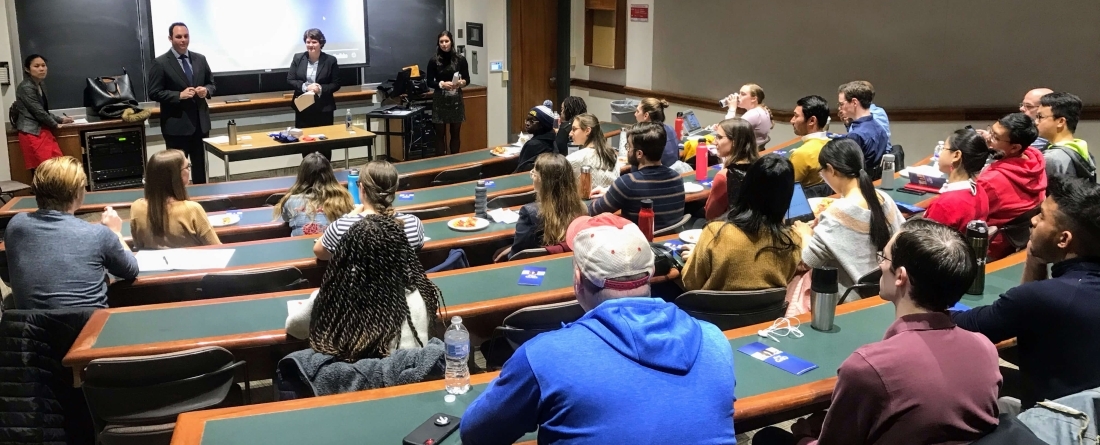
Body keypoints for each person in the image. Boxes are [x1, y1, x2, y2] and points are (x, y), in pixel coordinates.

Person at [460, 213, 737, 444]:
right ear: (650, 274)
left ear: (578, 279)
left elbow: (476, 434)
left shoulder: (543, 357)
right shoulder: (715, 340)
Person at [755, 219, 1000, 445]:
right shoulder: (986, 349)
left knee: (768, 437)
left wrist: (804, 438)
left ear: (900, 277)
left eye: (884, 257)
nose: (881, 264)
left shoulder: (867, 367)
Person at [953, 175, 1100, 408]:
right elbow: (1025, 313)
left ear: (1063, 239)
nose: (1032, 221)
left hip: (1060, 428)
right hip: (1087, 407)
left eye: (1041, 216)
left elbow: (958, 327)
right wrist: (1034, 258)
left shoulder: (1045, 298)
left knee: (959, 373)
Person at [307, 214, 444, 361]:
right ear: (401, 252)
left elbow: (294, 328)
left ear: (347, 253)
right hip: (409, 376)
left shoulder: (328, 298)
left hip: (350, 378)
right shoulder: (422, 297)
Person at [6, 156, 138, 309]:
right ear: (77, 194)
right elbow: (131, 269)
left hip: (31, 329)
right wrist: (115, 233)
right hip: (90, 328)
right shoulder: (99, 235)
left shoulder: (15, 225)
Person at [794, 138, 904, 297]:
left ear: (831, 170)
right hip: (886, 291)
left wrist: (805, 234)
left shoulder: (837, 213)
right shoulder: (884, 198)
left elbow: (806, 261)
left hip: (848, 298)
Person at [681, 155, 801, 292]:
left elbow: (690, 283)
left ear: (746, 186)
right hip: (769, 313)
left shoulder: (715, 232)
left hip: (712, 312)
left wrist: (695, 259)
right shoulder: (793, 241)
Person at [314, 160, 424, 261]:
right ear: (395, 188)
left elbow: (320, 253)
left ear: (361, 188)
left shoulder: (341, 227)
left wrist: (351, 215)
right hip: (401, 283)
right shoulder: (413, 224)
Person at [148, 22, 216, 184]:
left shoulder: (200, 59)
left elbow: (211, 84)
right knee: (177, 171)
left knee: (200, 167)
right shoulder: (161, 63)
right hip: (176, 127)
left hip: (200, 124)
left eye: (186, 36)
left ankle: (201, 202)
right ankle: (178, 204)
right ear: (170, 38)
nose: (183, 40)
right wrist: (179, 95)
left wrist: (206, 91)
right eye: (179, 37)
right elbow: (154, 92)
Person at [589, 122, 686, 230]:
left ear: (639, 154)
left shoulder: (628, 183)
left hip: (637, 243)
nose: (628, 150)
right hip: (669, 242)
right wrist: (611, 193)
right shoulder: (677, 178)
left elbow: (593, 212)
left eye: (629, 146)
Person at [978, 113, 1046, 261]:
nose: (988, 138)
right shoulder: (1035, 160)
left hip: (987, 248)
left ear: (1015, 147)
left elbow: (968, 213)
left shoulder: (992, 181)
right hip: (1015, 241)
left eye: (995, 137)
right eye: (991, 131)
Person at [129, 150, 221, 250]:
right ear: (177, 175)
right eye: (187, 167)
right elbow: (217, 248)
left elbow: (138, 245)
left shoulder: (136, 207)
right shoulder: (192, 209)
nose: (189, 170)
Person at [510, 153, 588, 256]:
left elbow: (517, 253)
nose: (532, 176)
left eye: (534, 173)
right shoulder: (583, 209)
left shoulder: (529, 213)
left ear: (542, 180)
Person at [922, 129, 991, 233]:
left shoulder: (944, 205)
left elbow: (926, 243)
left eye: (944, 148)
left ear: (956, 156)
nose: (939, 153)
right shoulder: (980, 191)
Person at [287, 28, 341, 160]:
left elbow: (336, 84)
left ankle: (325, 174)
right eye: (308, 41)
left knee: (324, 144)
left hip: (324, 109)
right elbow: (290, 80)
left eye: (314, 42)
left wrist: (320, 88)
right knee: (305, 143)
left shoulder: (330, 60)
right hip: (303, 107)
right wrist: (306, 87)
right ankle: (308, 173)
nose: (310, 45)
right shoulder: (298, 58)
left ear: (321, 43)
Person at [14, 54, 72, 175]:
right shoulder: (26, 87)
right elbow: (37, 111)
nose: (41, 69)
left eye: (43, 65)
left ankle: (55, 192)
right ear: (27, 69)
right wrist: (55, 125)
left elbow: (43, 110)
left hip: (43, 130)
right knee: (44, 170)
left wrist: (60, 120)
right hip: (31, 132)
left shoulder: (40, 84)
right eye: (36, 66)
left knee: (57, 165)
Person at [273, 152, 355, 236]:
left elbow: (286, 218)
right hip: (333, 247)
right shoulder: (343, 199)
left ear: (302, 176)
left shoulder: (290, 201)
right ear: (330, 175)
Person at [704, 118, 759, 220]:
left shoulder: (724, 176)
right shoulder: (761, 169)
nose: (714, 142)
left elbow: (711, 215)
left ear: (735, 141)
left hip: (729, 230)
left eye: (719, 137)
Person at [426, 30, 470, 156]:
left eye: (447, 41)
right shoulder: (433, 61)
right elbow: (429, 82)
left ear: (451, 42)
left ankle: (455, 160)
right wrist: (441, 84)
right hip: (440, 98)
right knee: (440, 134)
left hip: (456, 98)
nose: (444, 44)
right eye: (441, 42)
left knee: (455, 133)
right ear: (438, 43)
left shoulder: (460, 59)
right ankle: (441, 162)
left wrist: (462, 83)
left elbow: (467, 79)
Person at [1036, 92, 1094, 181]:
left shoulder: (1050, 158)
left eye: (1040, 117)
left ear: (1061, 122)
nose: (1036, 122)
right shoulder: (1084, 152)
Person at [837, 81, 889, 173]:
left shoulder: (856, 135)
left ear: (854, 102)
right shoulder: (879, 128)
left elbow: (847, 169)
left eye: (841, 104)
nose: (839, 108)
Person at [789, 95, 831, 195]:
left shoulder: (801, 154)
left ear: (812, 121)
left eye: (796, 116)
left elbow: (784, 190)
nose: (792, 121)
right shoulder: (833, 144)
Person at [566, 113, 620, 189]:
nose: (570, 133)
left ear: (587, 130)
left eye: (574, 129)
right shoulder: (613, 155)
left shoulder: (573, 159)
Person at [513, 100, 559, 172]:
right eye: (527, 120)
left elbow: (519, 170)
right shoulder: (552, 139)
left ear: (543, 125)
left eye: (532, 121)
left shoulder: (533, 145)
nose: (527, 123)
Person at [723, 83, 773, 147]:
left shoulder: (755, 113)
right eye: (739, 93)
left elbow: (727, 130)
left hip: (747, 153)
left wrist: (732, 108)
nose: (738, 96)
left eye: (743, 94)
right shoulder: (761, 110)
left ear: (753, 99)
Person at [633, 98, 679, 168]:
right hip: (672, 174)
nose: (635, 114)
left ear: (646, 115)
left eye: (637, 111)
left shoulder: (647, 136)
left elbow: (637, 165)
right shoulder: (670, 129)